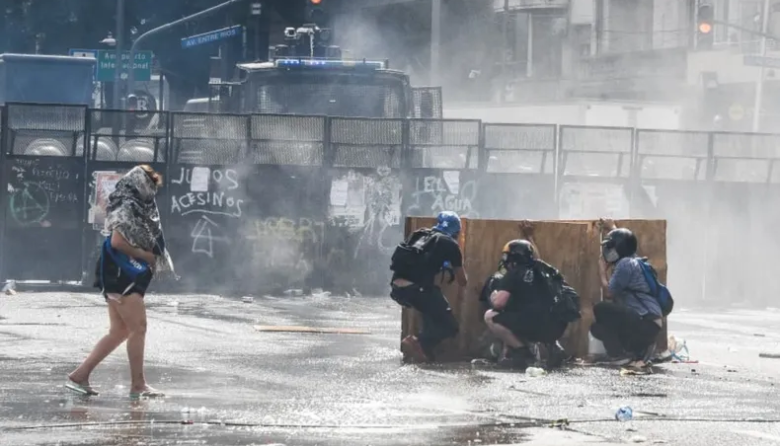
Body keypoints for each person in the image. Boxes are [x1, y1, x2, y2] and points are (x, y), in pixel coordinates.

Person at [67, 165, 174, 399]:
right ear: (139, 184)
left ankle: (81, 374)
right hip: (120, 272)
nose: (152, 191)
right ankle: (138, 385)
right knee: (139, 327)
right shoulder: (127, 205)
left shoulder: (134, 204)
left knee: (120, 330)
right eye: (150, 185)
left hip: (116, 270)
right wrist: (147, 256)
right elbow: (117, 242)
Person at [483, 222, 579, 370]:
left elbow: (499, 304)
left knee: (490, 316)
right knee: (540, 310)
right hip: (557, 327)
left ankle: (521, 351)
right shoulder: (546, 268)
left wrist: (493, 296)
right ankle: (554, 349)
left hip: (532, 326)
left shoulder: (513, 274)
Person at [390, 211, 468, 363]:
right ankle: (417, 341)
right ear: (456, 232)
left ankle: (425, 353)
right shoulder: (451, 244)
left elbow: (419, 259)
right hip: (418, 290)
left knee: (431, 313)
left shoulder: (418, 234)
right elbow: (462, 281)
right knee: (450, 326)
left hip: (397, 289)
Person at [591, 219, 662, 370]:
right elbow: (624, 242)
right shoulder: (634, 260)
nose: (608, 251)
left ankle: (619, 356)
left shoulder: (625, 265)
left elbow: (609, 293)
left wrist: (602, 272)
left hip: (645, 322)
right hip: (651, 324)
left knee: (601, 309)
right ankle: (636, 350)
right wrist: (613, 229)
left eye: (610, 247)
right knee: (598, 328)